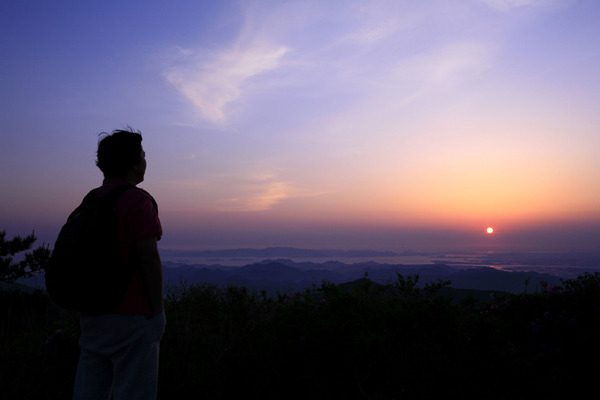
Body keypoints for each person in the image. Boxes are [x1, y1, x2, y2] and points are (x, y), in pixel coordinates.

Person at [73, 128, 165, 400]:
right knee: (135, 392)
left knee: (89, 392)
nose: (146, 162)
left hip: (92, 315)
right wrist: (157, 313)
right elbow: (148, 259)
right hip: (132, 319)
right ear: (133, 163)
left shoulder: (90, 201)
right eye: (143, 156)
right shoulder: (138, 201)